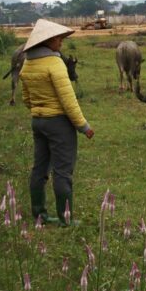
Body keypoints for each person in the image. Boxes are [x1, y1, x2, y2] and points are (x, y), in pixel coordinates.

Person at [19, 19, 94, 226]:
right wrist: (83, 126)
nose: (61, 42)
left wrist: (39, 111)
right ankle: (65, 219)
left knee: (39, 169)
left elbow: (26, 98)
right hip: (59, 124)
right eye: (59, 38)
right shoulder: (54, 63)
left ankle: (39, 214)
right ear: (49, 40)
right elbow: (68, 100)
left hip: (38, 122)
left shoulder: (27, 63)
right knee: (62, 172)